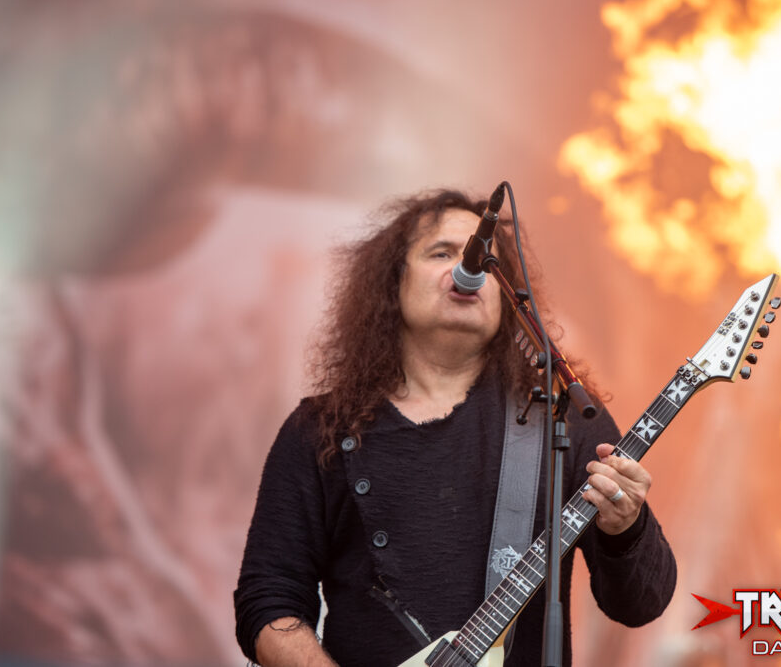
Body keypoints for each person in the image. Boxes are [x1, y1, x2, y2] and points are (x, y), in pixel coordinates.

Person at [234, 189, 676, 666]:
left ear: (508, 299)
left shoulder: (559, 417)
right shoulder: (318, 430)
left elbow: (642, 604)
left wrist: (626, 528)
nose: (469, 265)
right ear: (393, 282)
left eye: (487, 260)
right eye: (441, 253)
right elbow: (269, 600)